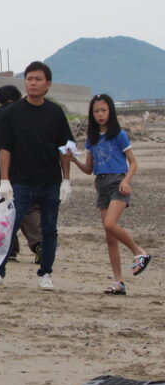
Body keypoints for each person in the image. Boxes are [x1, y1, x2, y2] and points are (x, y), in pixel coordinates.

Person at [0, 61, 74, 290]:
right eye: (29, 78)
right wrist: (4, 180)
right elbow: (4, 148)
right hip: (20, 183)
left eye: (38, 79)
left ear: (48, 84)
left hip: (50, 182)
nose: (33, 83)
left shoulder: (55, 112)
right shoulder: (13, 112)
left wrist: (66, 180)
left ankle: (45, 273)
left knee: (49, 230)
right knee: (8, 228)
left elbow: (65, 148)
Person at [69, 94, 151, 294]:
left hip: (117, 182)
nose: (100, 114)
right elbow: (89, 169)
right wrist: (73, 160)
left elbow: (133, 163)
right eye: (96, 111)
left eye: (103, 110)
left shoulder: (119, 135)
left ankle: (139, 252)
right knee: (110, 236)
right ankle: (118, 282)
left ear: (110, 111)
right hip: (101, 184)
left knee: (110, 224)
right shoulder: (92, 138)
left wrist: (125, 181)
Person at [0, 85, 41, 262]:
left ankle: (9, 248)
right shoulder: (24, 111)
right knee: (29, 207)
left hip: (1, 167)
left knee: (2, 207)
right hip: (25, 165)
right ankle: (39, 244)